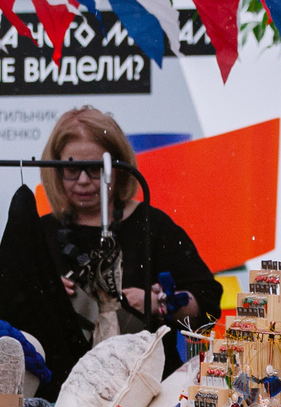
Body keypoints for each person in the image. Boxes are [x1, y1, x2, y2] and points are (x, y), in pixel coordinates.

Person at [39, 107, 223, 374]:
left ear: (118, 167)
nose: (83, 180)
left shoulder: (153, 225)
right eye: (72, 169)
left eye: (95, 169)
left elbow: (208, 307)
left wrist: (159, 304)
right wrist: (42, 297)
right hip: (62, 385)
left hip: (149, 385)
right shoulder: (40, 232)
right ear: (56, 169)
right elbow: (9, 314)